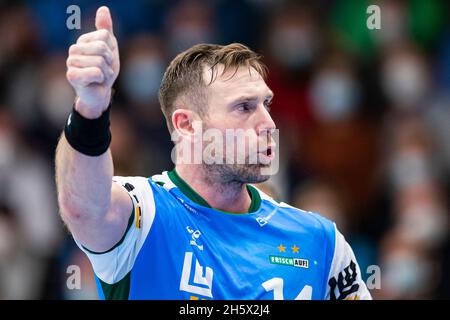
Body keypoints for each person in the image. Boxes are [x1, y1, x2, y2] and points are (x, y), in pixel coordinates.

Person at [55, 6, 371, 300]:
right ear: (187, 125)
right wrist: (90, 110)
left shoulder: (319, 240)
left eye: (267, 104)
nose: (268, 123)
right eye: (244, 107)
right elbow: (84, 208)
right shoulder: (144, 213)